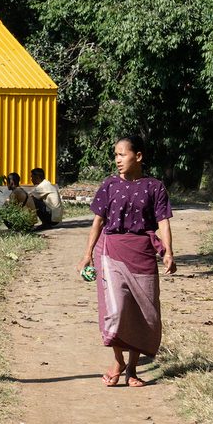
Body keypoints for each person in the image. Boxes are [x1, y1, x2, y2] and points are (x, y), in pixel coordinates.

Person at [77, 135, 175, 387]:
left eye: (123, 154)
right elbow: (97, 221)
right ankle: (118, 361)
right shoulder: (109, 185)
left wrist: (168, 252)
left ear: (138, 156)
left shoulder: (155, 187)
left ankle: (132, 368)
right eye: (116, 155)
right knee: (117, 310)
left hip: (142, 255)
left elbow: (163, 220)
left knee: (143, 314)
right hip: (111, 252)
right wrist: (87, 254)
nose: (118, 160)